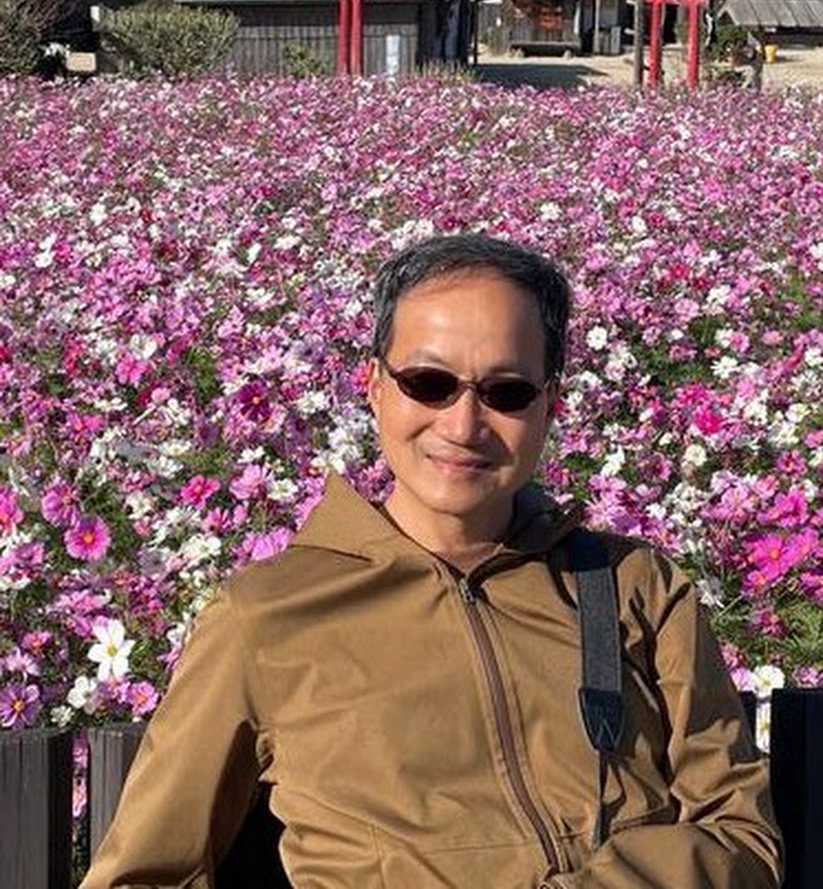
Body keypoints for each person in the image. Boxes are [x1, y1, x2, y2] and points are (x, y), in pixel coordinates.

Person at [82, 234, 782, 888]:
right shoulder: (263, 618)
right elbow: (144, 873)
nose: (463, 424)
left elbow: (741, 837)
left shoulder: (635, 588)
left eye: (506, 392)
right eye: (428, 382)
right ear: (374, 385)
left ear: (550, 405)